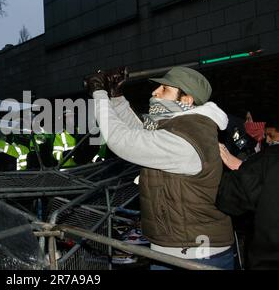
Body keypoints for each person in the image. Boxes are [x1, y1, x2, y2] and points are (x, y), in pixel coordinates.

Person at [88, 66, 234, 269]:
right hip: (175, 251)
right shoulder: (186, 128)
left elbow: (122, 140)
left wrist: (99, 94)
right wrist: (116, 97)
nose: (154, 92)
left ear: (186, 99)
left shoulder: (186, 141)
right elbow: (141, 133)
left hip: (194, 256)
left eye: (164, 89)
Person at [216, 117, 279, 269]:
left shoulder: (269, 158)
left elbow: (228, 200)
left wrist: (244, 170)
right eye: (265, 135)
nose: (266, 139)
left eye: (270, 135)